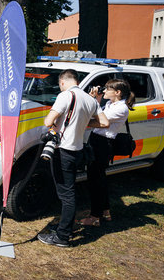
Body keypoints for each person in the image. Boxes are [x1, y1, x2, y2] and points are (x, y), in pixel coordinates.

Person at [37, 69, 109, 247]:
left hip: (64, 151)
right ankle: (64, 229)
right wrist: (84, 123)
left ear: (63, 81)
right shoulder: (90, 100)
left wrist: (54, 122)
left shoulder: (65, 96)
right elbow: (104, 122)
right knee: (69, 192)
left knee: (67, 195)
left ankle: (62, 236)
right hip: (78, 151)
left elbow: (48, 121)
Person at [77, 79, 135, 227]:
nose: (105, 90)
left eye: (108, 88)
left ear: (117, 92)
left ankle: (94, 217)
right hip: (97, 140)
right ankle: (105, 211)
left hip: (103, 144)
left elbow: (99, 120)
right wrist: (96, 100)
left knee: (95, 181)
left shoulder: (121, 108)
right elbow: (98, 116)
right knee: (99, 179)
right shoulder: (110, 104)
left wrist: (84, 120)